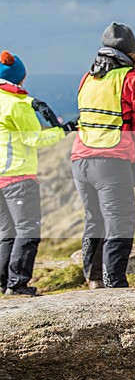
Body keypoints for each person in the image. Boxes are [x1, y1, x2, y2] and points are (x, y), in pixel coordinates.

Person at [72, 22, 135, 289]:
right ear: (132, 51)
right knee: (119, 222)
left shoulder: (88, 78)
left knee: (94, 220)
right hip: (111, 163)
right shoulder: (133, 80)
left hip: (79, 161)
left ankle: (94, 280)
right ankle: (115, 285)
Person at [0, 51, 75, 296]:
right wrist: (64, 130)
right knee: (28, 231)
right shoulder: (17, 105)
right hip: (18, 176)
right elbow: (34, 138)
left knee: (6, 233)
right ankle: (18, 284)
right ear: (21, 77)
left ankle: (3, 283)